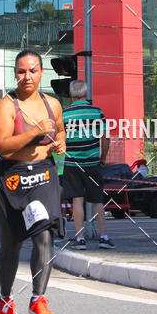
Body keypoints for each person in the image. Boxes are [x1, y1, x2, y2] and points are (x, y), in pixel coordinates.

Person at [0, 49, 66, 314]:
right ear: (15, 74)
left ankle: (38, 298)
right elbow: (1, 145)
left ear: (42, 72)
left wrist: (60, 144)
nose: (27, 77)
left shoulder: (53, 104)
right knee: (11, 245)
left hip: (43, 176)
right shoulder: (7, 106)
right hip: (10, 178)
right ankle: (6, 298)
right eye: (21, 71)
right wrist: (34, 132)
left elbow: (59, 131)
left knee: (44, 234)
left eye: (32, 70)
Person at [61, 80, 113, 250]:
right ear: (86, 94)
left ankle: (80, 238)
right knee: (97, 200)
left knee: (77, 200)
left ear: (70, 95)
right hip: (92, 163)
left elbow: (60, 139)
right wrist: (103, 157)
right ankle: (104, 237)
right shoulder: (96, 112)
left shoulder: (64, 114)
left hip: (72, 164)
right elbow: (105, 138)